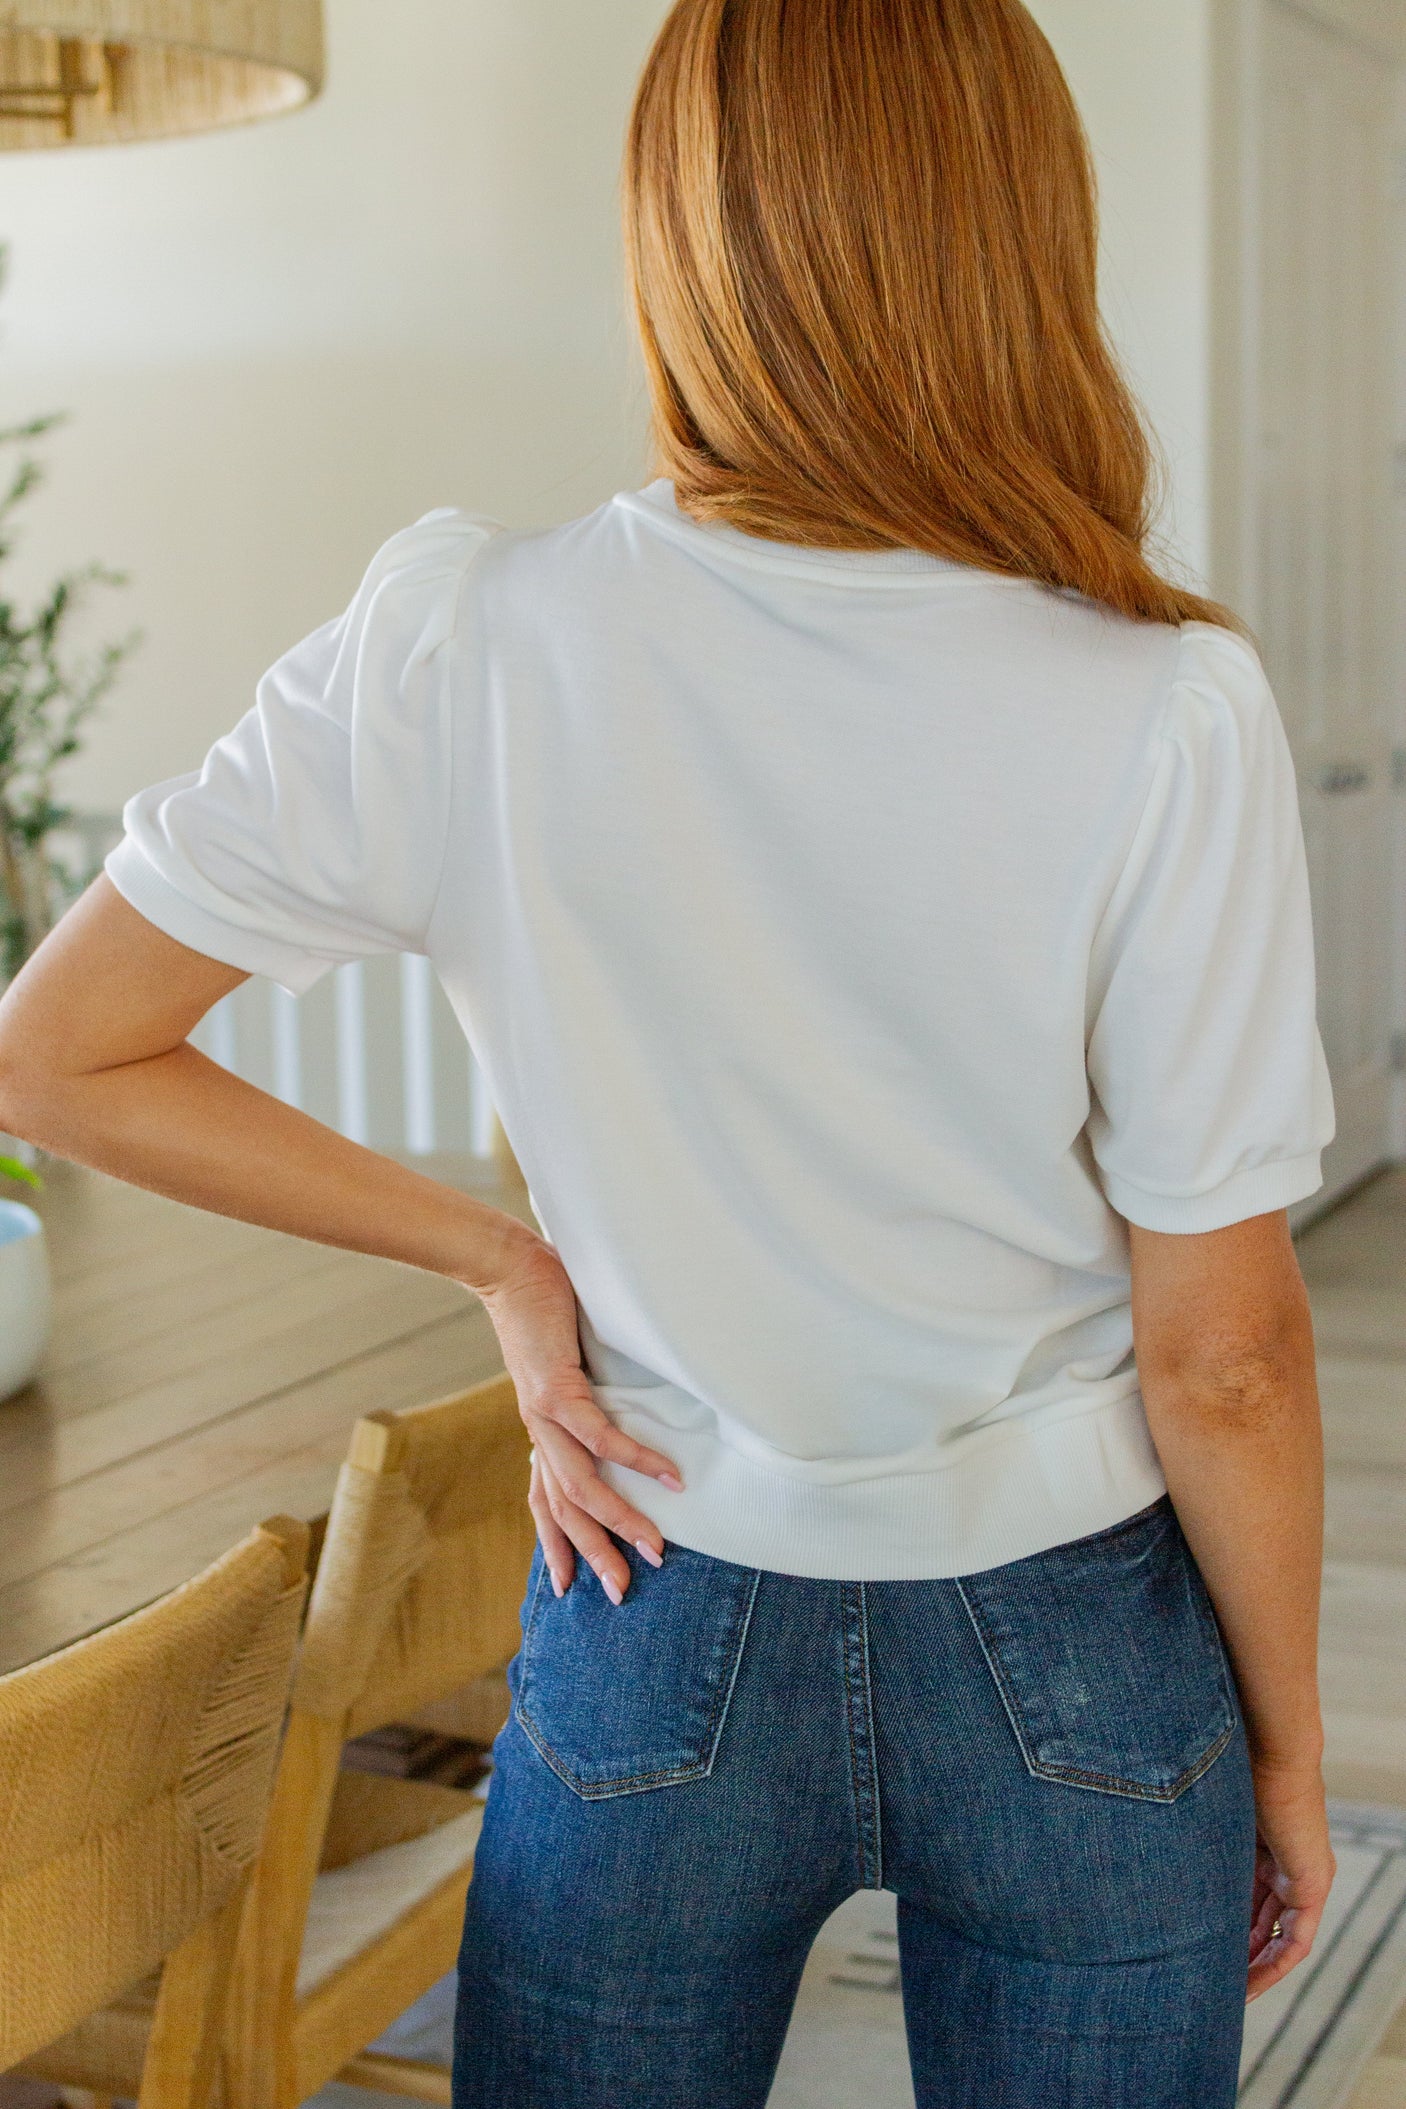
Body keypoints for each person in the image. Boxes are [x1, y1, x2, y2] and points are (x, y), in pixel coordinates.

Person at [0, 0, 1337, 2102]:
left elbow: (57, 1052)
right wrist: (1278, 1738)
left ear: (685, 239)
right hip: (1075, 1635)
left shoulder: (469, 640)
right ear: (1019, 231)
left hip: (655, 1590)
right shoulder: (1164, 701)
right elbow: (1227, 1351)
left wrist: (499, 1261)